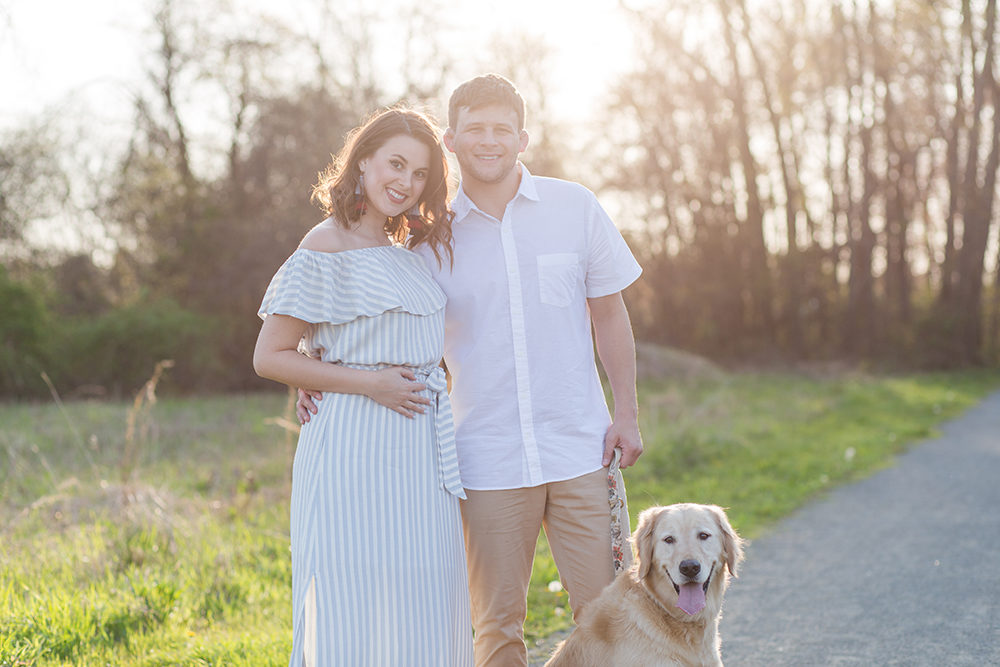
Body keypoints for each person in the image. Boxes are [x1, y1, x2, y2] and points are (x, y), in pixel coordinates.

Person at [300, 74, 645, 667]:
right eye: (476, 129)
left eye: (502, 129)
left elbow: (610, 316)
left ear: (523, 138)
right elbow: (379, 323)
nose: (490, 140)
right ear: (452, 141)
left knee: (606, 619)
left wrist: (628, 415)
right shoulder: (425, 240)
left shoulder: (574, 207)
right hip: (484, 459)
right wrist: (310, 363)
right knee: (495, 628)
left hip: (580, 448)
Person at [254, 106, 474, 666]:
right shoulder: (324, 244)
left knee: (427, 594)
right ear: (364, 161)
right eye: (395, 164)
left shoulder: (411, 256)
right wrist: (365, 382)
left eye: (420, 174)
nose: (405, 182)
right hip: (353, 450)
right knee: (353, 597)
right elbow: (269, 355)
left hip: (423, 456)